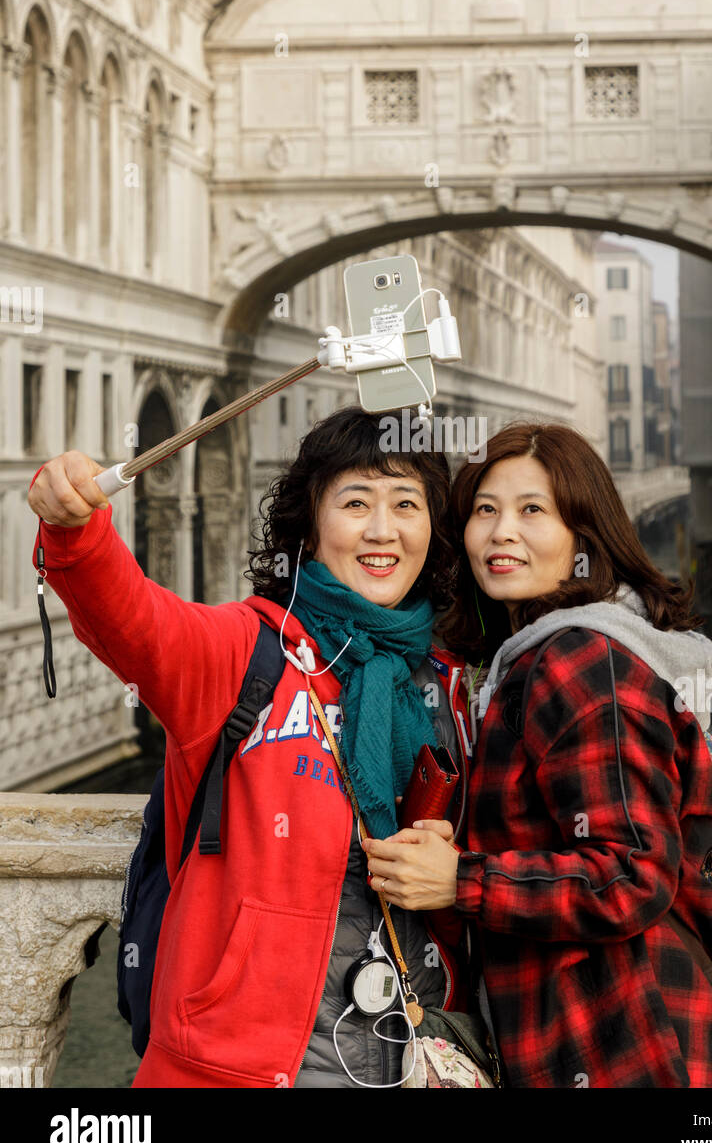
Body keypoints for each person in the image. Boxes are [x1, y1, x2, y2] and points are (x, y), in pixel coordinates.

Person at [27, 406, 474, 1089]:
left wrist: (454, 875)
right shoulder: (243, 654)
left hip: (406, 1056)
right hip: (236, 1066)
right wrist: (74, 528)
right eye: (356, 502)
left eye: (406, 504)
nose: (383, 530)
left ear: (432, 530)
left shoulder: (446, 687)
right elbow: (134, 622)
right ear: (311, 527)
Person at [362, 421, 712, 1088]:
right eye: (485, 510)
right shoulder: (529, 661)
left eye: (532, 510)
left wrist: (464, 881)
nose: (502, 532)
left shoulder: (581, 659)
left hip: (628, 1046)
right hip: (590, 1042)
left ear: (584, 534)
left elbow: (633, 873)